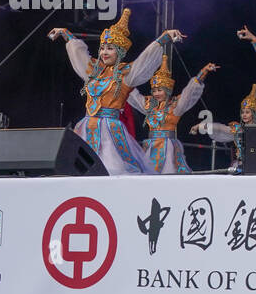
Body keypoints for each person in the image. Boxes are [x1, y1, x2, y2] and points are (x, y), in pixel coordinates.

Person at [47, 9, 185, 174]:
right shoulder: (94, 70)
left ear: (119, 51)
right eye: (103, 48)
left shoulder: (126, 74)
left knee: (111, 169)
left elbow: (144, 60)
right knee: (78, 169)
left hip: (109, 131)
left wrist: (164, 38)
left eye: (110, 48)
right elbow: (80, 55)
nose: (104, 52)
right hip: (86, 127)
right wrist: (65, 33)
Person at [129, 56, 216, 173]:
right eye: (154, 90)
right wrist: (122, 79)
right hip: (150, 147)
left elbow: (189, 93)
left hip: (168, 147)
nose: (156, 94)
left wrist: (203, 73)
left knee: (169, 172)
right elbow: (133, 95)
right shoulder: (149, 105)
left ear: (168, 90)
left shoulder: (175, 106)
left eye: (160, 90)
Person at [191, 83, 256, 171]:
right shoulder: (237, 129)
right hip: (241, 166)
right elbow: (219, 128)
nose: (244, 115)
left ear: (253, 114)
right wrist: (199, 126)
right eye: (242, 112)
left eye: (247, 112)